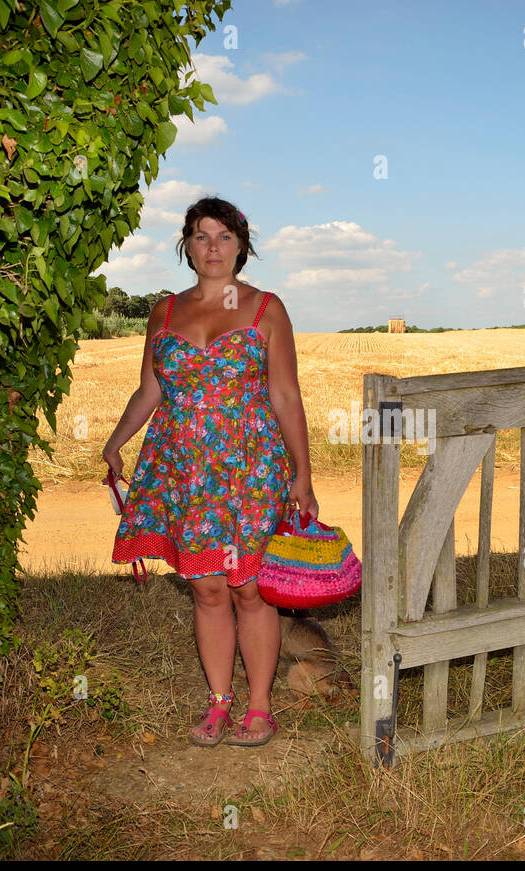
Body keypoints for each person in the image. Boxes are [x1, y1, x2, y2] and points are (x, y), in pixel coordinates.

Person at [103, 196, 318, 748]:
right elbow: (151, 388)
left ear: (241, 246)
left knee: (250, 589)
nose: (213, 247)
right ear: (186, 246)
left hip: (251, 470)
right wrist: (116, 441)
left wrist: (304, 474)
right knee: (207, 588)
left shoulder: (266, 308)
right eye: (201, 236)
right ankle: (219, 703)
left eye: (224, 236)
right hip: (184, 471)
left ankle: (260, 706)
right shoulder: (165, 313)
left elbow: (286, 394)